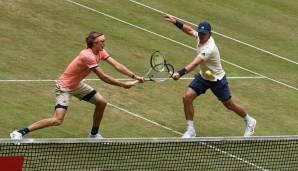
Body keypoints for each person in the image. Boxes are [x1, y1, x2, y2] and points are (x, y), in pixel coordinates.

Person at [10, 31, 144, 139]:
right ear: (93, 43)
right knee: (57, 120)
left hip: (77, 85)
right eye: (101, 42)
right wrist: (122, 85)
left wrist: (134, 76)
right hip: (64, 88)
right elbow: (103, 77)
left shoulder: (101, 52)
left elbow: (117, 65)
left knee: (102, 103)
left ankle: (93, 134)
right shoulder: (87, 56)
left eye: (104, 41)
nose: (104, 43)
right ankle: (19, 132)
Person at [164, 15, 256, 138]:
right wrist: (176, 22)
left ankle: (249, 121)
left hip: (216, 79)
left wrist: (179, 73)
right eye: (200, 33)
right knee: (187, 98)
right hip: (203, 76)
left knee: (229, 105)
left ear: (210, 34)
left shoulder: (209, 48)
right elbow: (190, 30)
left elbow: (195, 63)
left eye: (204, 34)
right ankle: (190, 130)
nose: (201, 36)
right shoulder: (200, 36)